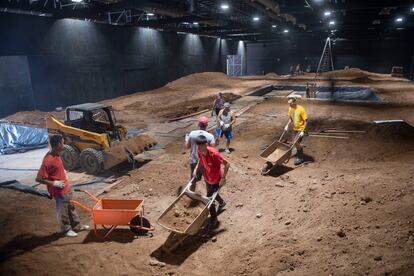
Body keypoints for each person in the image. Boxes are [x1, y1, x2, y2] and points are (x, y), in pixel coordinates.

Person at [36, 135, 89, 237]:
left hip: (66, 188)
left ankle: (77, 226)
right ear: (58, 144)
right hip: (58, 191)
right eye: (62, 142)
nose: (64, 145)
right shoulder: (48, 160)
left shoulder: (57, 155)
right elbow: (38, 178)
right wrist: (54, 183)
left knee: (70, 208)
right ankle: (66, 229)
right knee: (62, 211)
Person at [194, 135, 230, 229]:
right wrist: (196, 170)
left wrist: (223, 178)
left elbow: (227, 164)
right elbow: (201, 160)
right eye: (197, 146)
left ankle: (214, 219)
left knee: (209, 199)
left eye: (200, 146)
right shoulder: (200, 151)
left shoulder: (214, 154)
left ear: (206, 144)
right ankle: (222, 203)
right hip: (207, 177)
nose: (199, 148)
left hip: (216, 178)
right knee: (212, 193)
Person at [185, 116, 215, 188]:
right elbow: (212, 150)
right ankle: (209, 196)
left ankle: (192, 194)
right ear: (207, 125)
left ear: (198, 124)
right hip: (205, 162)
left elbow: (187, 146)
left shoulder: (192, 134)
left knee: (193, 180)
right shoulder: (210, 136)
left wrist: (186, 139)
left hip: (194, 160)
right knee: (208, 181)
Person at [283, 97, 308, 165]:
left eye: (290, 103)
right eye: (289, 103)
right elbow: (291, 118)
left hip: (301, 129)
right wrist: (287, 125)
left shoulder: (301, 109)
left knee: (295, 142)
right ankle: (298, 150)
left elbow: (306, 121)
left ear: (294, 102)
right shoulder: (290, 108)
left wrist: (303, 131)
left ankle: (300, 157)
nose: (289, 105)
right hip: (295, 129)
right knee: (294, 143)